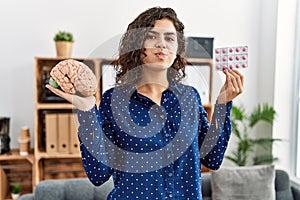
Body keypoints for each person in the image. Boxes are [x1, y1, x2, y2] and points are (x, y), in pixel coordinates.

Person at [46, 6, 244, 200]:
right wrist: (87, 110)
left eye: (169, 38)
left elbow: (212, 158)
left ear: (177, 48)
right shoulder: (113, 101)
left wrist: (222, 104)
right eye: (151, 36)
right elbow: (99, 175)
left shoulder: (190, 98)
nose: (162, 44)